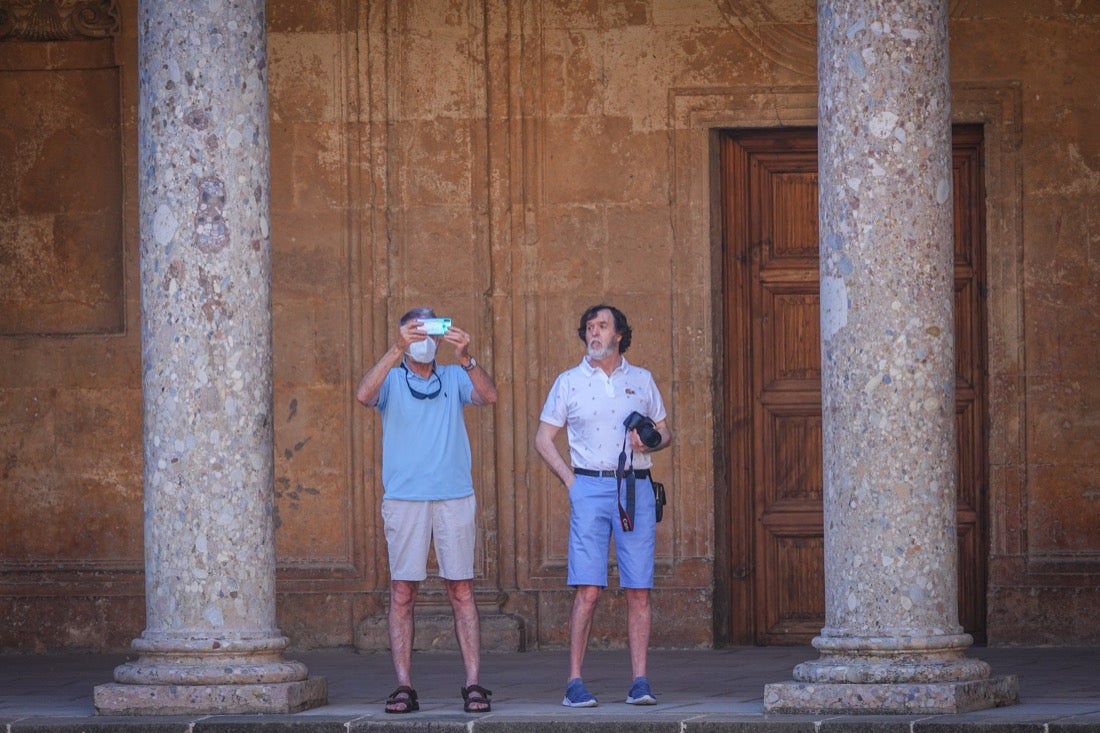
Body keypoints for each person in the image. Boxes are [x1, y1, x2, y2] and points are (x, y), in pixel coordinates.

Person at [355, 306, 498, 714]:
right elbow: (364, 395)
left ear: (439, 337)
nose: (422, 340)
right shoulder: (393, 379)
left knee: (462, 589)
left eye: (429, 331)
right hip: (404, 499)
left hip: (454, 496)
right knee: (403, 593)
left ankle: (473, 684)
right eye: (414, 332)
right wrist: (396, 348)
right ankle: (404, 685)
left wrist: (467, 356)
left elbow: (489, 396)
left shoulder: (453, 376)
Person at [534, 304, 672, 708]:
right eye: (589, 328)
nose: (594, 333)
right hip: (590, 487)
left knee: (638, 589)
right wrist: (571, 481)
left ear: (619, 335)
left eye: (602, 327)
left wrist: (652, 441)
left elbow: (666, 431)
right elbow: (543, 438)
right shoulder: (569, 382)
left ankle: (640, 681)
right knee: (588, 589)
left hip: (635, 488)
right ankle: (574, 682)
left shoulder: (642, 379)